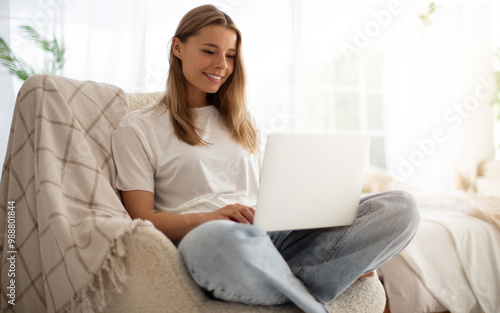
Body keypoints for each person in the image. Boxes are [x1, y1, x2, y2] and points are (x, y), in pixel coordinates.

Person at [111, 5, 420, 313]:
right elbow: (142, 218)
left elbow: (269, 193)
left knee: (400, 207)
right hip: (215, 241)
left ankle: (282, 282)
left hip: (271, 237)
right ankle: (313, 300)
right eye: (209, 51)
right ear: (178, 47)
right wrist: (209, 217)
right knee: (211, 241)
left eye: (230, 55)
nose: (221, 64)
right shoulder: (138, 127)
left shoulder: (240, 122)